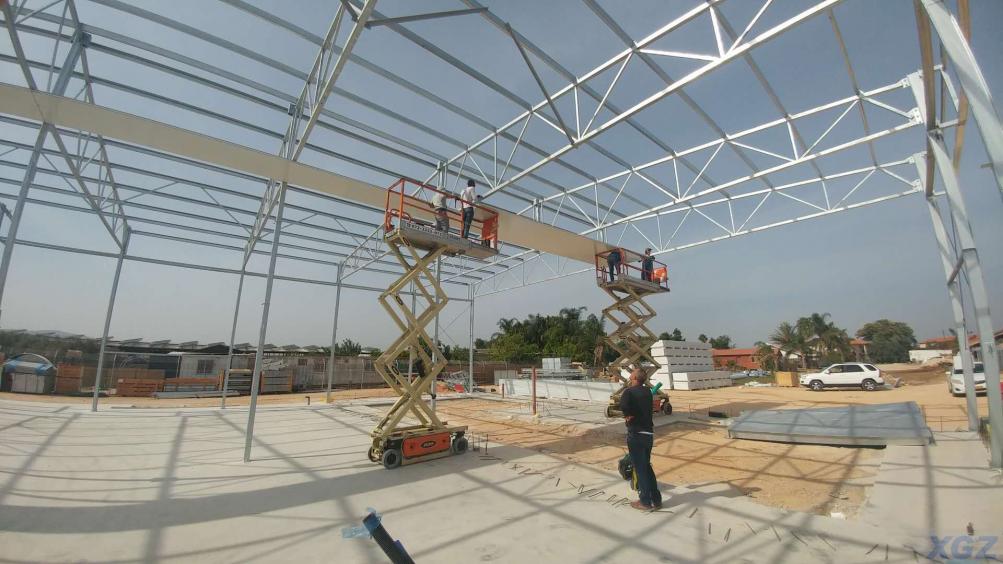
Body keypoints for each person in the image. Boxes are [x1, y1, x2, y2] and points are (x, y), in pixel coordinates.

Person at [619, 367, 663, 510]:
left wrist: (627, 415)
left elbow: (624, 405)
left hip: (636, 434)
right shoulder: (647, 392)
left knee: (640, 468)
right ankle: (656, 499)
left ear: (635, 378)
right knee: (647, 467)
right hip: (648, 434)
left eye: (632, 374)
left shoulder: (629, 392)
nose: (630, 376)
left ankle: (645, 501)